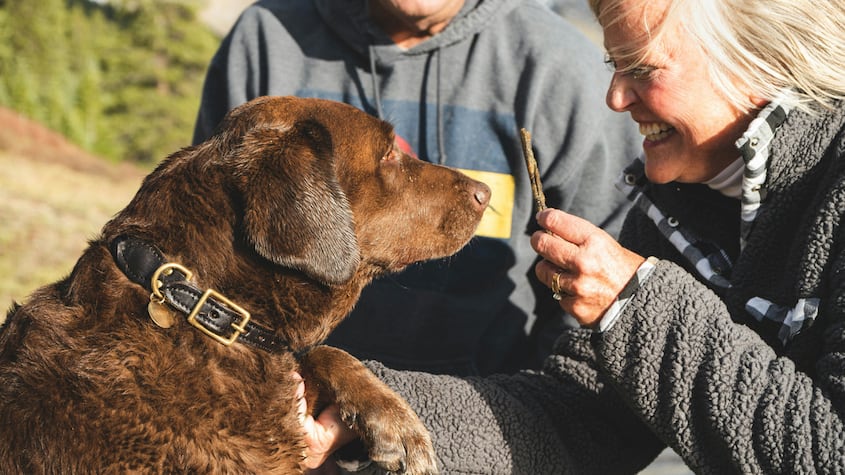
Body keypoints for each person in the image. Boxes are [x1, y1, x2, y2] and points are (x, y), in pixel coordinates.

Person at [300, 0, 845, 472]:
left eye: (641, 67)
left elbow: (827, 453)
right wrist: (359, 409)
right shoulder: (673, 207)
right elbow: (580, 421)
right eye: (614, 65)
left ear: (757, 57)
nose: (614, 98)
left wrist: (635, 305)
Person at [193, 0, 641, 377]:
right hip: (290, 418)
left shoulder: (558, 68)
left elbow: (599, 305)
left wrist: (522, 432)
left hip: (487, 421)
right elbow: (205, 256)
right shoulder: (269, 39)